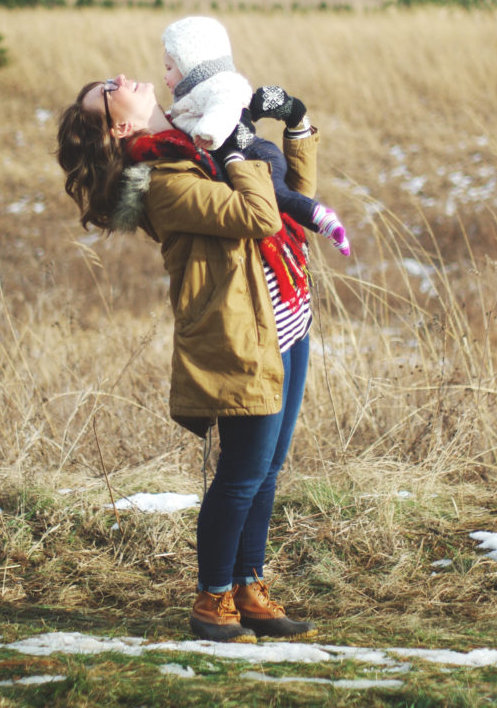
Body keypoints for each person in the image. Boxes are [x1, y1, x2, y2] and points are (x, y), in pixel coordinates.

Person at [57, 73, 321, 643]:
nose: (121, 78)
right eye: (108, 88)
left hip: (286, 317)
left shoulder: (190, 141)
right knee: (242, 475)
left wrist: (295, 125)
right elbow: (259, 215)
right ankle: (212, 600)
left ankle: (249, 587)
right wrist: (232, 144)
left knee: (267, 472)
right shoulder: (163, 182)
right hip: (240, 337)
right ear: (120, 125)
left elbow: (288, 205)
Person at [162, 15, 350, 256]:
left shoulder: (220, 86)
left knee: (279, 195)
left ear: (191, 64)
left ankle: (323, 219)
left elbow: (224, 105)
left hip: (254, 153)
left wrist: (210, 132)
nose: (165, 77)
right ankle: (321, 220)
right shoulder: (190, 99)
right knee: (280, 196)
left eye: (169, 68)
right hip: (246, 159)